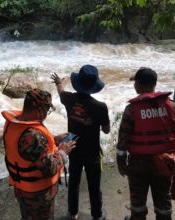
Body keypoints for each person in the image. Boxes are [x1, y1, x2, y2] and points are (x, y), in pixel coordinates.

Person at [116, 67, 175, 220]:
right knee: (163, 202)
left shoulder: (132, 110)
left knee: (137, 201)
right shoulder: (172, 106)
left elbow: (123, 141)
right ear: (154, 83)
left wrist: (121, 163)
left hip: (138, 164)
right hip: (165, 161)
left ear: (139, 85)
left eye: (135, 83)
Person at [1, 89, 76, 220]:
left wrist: (53, 140)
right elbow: (50, 168)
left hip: (22, 189)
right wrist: (63, 151)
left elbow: (29, 150)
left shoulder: (12, 124)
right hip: (37, 195)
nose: (47, 114)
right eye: (47, 110)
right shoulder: (34, 136)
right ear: (39, 110)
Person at [51, 64, 110, 220]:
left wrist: (58, 82)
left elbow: (61, 92)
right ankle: (97, 215)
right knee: (94, 185)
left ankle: (72, 213)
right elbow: (106, 130)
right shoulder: (100, 107)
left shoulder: (69, 99)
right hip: (92, 151)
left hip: (72, 148)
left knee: (74, 182)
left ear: (77, 83)